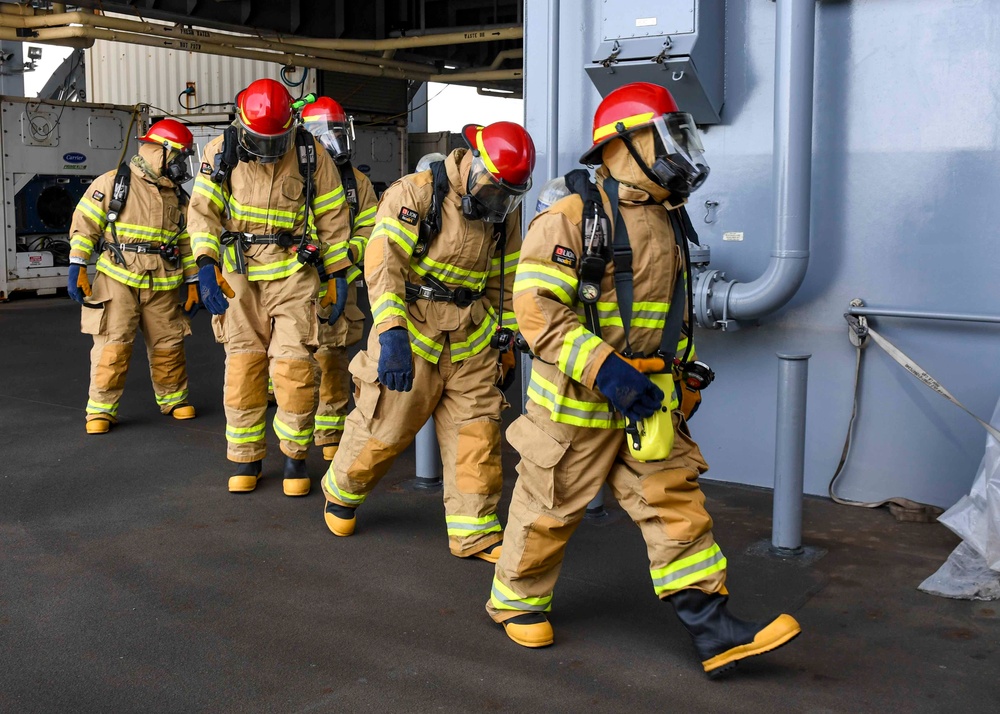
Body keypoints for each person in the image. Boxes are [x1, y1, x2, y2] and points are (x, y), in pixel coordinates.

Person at [486, 82, 800, 678]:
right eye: (669, 137)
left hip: (646, 404)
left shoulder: (668, 218)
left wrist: (684, 375)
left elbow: (668, 313)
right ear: (624, 146)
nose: (681, 151)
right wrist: (610, 373)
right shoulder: (570, 217)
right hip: (575, 408)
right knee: (547, 508)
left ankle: (715, 630)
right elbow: (537, 313)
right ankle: (516, 599)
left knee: (675, 502)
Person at [321, 122, 535, 564]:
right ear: (473, 162)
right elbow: (384, 266)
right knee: (386, 426)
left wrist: (508, 337)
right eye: (494, 190)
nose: (498, 202)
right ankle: (342, 489)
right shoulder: (416, 194)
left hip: (472, 339)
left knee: (476, 434)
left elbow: (507, 277)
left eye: (507, 195)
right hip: (413, 333)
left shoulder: (502, 209)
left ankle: (474, 531)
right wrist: (392, 332)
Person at [187, 79, 352, 496]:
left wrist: (338, 275)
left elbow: (332, 218)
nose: (267, 149)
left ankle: (296, 458)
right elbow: (203, 211)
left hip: (294, 272)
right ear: (242, 124)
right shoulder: (221, 151)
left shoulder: (308, 152)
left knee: (294, 368)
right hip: (240, 274)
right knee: (243, 365)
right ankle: (247, 459)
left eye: (274, 140)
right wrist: (205, 265)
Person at [68, 119, 199, 434]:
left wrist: (193, 281)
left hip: (163, 284)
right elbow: (86, 223)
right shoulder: (113, 183)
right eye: (178, 156)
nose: (182, 165)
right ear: (159, 152)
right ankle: (101, 409)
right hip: (118, 280)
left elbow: (187, 242)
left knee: (169, 344)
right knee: (113, 345)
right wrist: (78, 264)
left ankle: (174, 399)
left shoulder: (178, 197)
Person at [300, 97, 378, 462]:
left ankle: (329, 430)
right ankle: (291, 430)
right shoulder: (291, 171)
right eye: (328, 133)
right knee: (290, 361)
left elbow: (369, 226)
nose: (336, 140)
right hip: (289, 283)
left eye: (339, 131)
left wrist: (347, 260)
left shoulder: (356, 181)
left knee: (332, 358)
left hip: (336, 283)